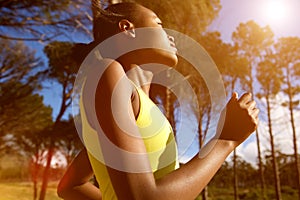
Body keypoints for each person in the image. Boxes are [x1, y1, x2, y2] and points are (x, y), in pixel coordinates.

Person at [57, 2, 259, 200]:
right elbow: (142, 197)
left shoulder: (135, 107)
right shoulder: (108, 72)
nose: (170, 36)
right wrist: (225, 140)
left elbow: (70, 186)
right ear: (128, 29)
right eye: (159, 24)